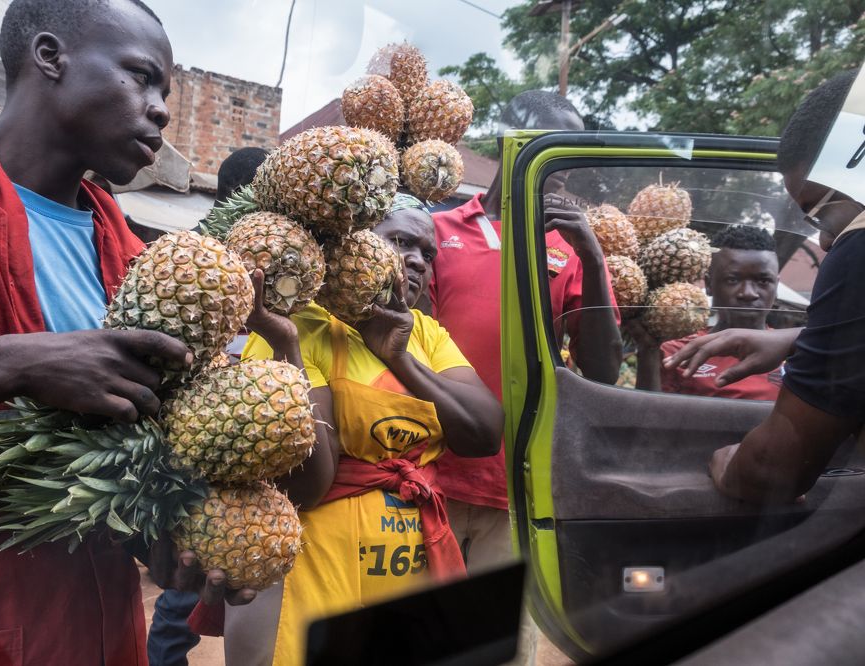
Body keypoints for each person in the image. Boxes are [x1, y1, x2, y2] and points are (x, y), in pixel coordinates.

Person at [0, 1, 254, 663]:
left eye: (166, 91)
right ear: (50, 57)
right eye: (141, 77)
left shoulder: (142, 263)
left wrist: (169, 538)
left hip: (97, 638)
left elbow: (125, 470)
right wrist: (16, 363)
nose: (160, 107)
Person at [223, 194, 505, 666]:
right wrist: (287, 349)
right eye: (399, 241)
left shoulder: (425, 335)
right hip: (310, 576)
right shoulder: (297, 329)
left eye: (427, 253)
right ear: (352, 248)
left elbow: (483, 434)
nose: (416, 259)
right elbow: (310, 484)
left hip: (405, 580)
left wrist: (399, 358)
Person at [429, 90, 621, 574]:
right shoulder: (436, 229)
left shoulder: (572, 248)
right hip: (430, 472)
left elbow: (603, 369)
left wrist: (594, 258)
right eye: (548, 145)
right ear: (509, 142)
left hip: (520, 478)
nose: (561, 163)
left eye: (570, 152)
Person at [674, 70, 865, 503]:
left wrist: (725, 461)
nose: (823, 239)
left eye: (818, 210)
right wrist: (800, 338)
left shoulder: (858, 249)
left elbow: (769, 472)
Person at [147, 145, 270, 666]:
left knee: (221, 569)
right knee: (185, 578)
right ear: (247, 197)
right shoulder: (195, 251)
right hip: (200, 432)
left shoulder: (269, 250)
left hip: (246, 427)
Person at [633, 225, 782, 399]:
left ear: (776, 286)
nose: (748, 293)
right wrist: (647, 352)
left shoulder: (794, 354)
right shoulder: (678, 353)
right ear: (709, 285)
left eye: (763, 281)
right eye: (732, 280)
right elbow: (649, 416)